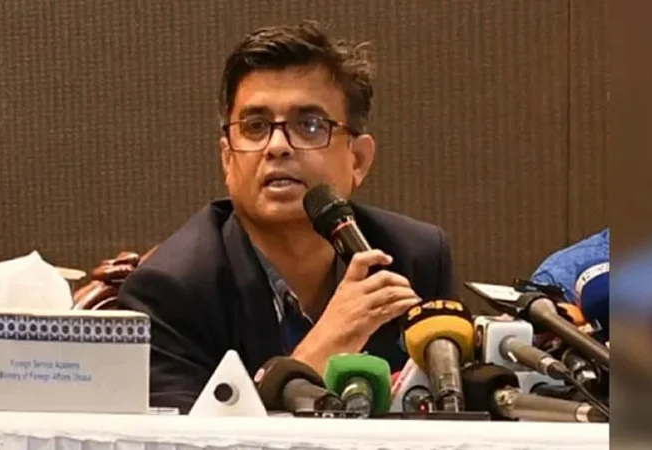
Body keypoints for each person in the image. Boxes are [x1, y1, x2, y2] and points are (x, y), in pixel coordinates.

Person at [117, 21, 456, 412]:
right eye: (255, 127)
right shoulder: (172, 292)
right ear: (227, 159)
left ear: (358, 160)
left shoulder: (413, 257)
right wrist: (326, 344)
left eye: (309, 125)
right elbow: (186, 438)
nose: (277, 146)